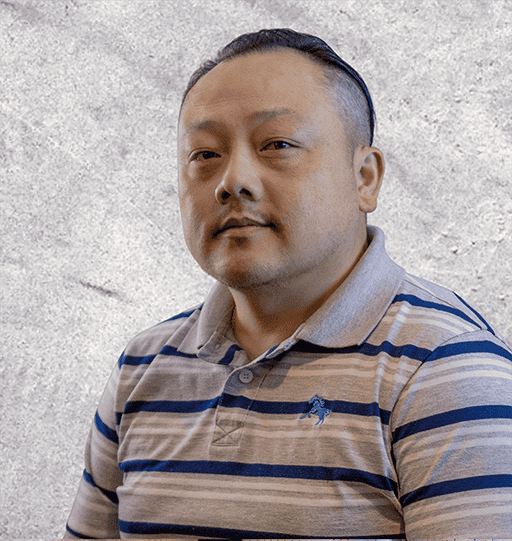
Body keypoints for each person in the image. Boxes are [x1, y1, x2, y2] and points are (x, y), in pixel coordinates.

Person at [64, 28, 512, 539]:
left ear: (365, 178)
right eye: (204, 154)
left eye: (277, 144)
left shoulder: (447, 369)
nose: (232, 181)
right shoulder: (142, 368)